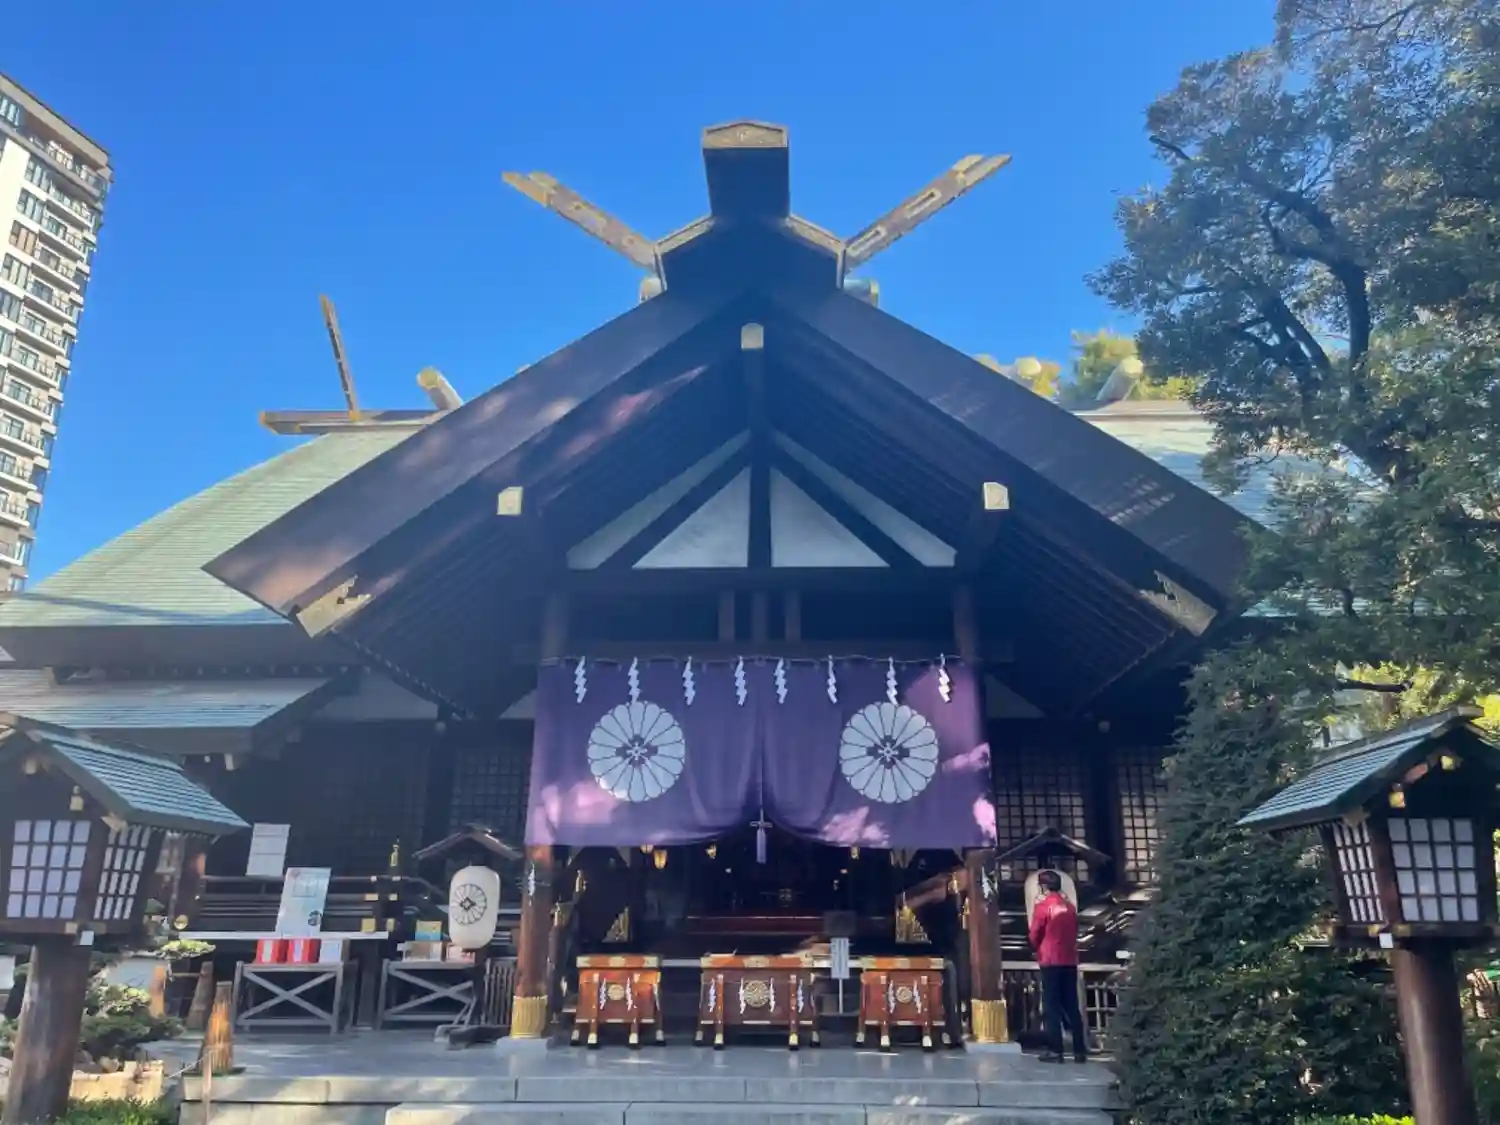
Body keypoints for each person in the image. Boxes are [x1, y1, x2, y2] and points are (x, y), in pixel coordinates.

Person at [1028, 869, 1088, 1063]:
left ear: (1043, 886)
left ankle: (1056, 1050)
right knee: (1071, 1004)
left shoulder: (1043, 907)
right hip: (1069, 960)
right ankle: (1079, 1049)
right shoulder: (1069, 907)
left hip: (1050, 959)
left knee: (1051, 1005)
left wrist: (1035, 947)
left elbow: (1035, 933)